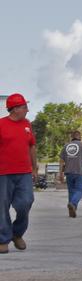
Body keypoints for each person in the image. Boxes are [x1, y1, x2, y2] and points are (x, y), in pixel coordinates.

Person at [1, 93, 38, 254]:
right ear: (15, 109)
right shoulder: (1, 124)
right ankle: (3, 239)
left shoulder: (27, 124)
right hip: (3, 173)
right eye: (24, 107)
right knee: (2, 207)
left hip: (24, 173)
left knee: (26, 202)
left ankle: (17, 233)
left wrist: (35, 167)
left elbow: (32, 146)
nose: (27, 110)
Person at [59, 129, 82, 218]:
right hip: (79, 172)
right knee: (79, 190)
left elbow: (61, 161)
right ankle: (73, 204)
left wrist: (60, 174)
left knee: (71, 191)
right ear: (80, 136)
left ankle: (72, 210)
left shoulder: (66, 146)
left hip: (68, 172)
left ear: (72, 137)